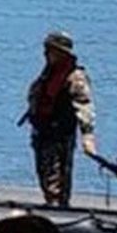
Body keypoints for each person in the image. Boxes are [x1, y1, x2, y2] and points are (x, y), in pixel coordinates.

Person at [23, 31, 96, 207]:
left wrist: (87, 136)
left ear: (61, 53)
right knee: (45, 175)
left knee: (57, 180)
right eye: (46, 50)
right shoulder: (50, 72)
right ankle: (52, 204)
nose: (45, 54)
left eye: (50, 50)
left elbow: (84, 105)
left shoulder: (74, 77)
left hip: (59, 135)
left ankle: (58, 209)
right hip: (43, 132)